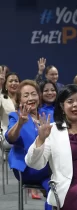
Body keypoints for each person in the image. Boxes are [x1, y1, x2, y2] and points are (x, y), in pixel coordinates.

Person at [5, 80, 52, 210]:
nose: (31, 98)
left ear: (39, 96)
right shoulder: (15, 116)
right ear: (20, 101)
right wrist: (20, 124)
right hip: (28, 168)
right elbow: (10, 138)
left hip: (48, 167)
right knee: (58, 183)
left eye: (33, 94)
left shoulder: (48, 115)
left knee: (57, 188)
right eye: (26, 95)